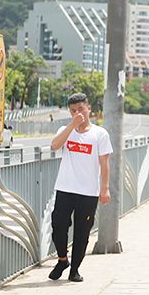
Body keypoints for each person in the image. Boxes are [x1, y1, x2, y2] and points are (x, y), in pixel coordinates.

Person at [48, 93, 112, 283]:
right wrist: (72, 125)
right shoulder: (65, 130)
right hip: (65, 188)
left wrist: (105, 188)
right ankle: (62, 259)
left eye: (81, 109)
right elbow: (54, 145)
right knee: (58, 225)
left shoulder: (100, 134)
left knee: (82, 232)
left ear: (89, 109)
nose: (78, 114)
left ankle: (74, 269)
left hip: (88, 192)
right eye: (73, 111)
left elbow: (105, 163)